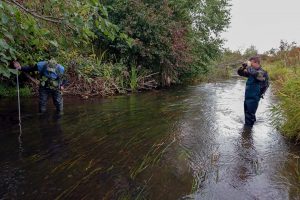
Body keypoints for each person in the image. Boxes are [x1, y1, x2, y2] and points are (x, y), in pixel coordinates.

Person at [237, 56, 269, 126]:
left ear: (256, 62)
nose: (250, 65)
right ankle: (250, 127)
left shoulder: (262, 72)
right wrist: (243, 67)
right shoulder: (252, 71)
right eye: (250, 64)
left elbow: (258, 76)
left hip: (255, 96)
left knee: (249, 115)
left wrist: (249, 67)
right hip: (248, 96)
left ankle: (248, 131)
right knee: (247, 113)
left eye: (251, 63)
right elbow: (240, 73)